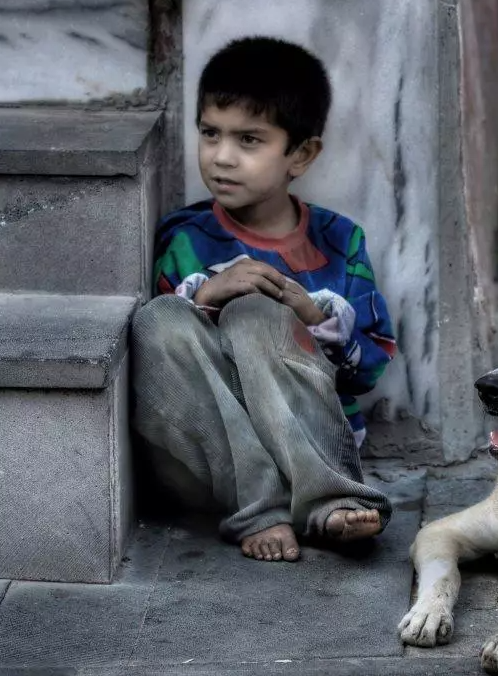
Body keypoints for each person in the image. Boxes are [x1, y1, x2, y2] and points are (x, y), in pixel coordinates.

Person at [130, 36, 396, 563]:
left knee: (260, 311)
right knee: (158, 318)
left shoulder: (341, 242)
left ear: (301, 154)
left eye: (249, 140)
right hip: (218, 467)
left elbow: (368, 372)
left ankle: (329, 495)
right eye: (210, 133)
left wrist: (309, 315)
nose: (222, 157)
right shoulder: (185, 237)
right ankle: (262, 508)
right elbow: (168, 365)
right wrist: (207, 295)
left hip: (311, 451)